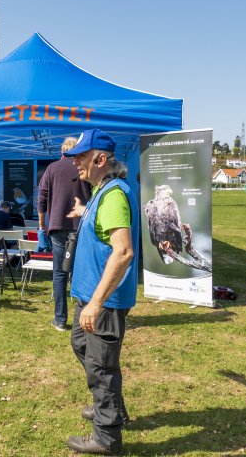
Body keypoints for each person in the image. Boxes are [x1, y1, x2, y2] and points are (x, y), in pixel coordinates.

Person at [62, 129, 139, 456]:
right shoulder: (102, 191)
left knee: (101, 368)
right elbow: (101, 226)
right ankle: (111, 407)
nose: (75, 162)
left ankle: (107, 438)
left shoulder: (113, 195)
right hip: (90, 296)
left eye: (81, 156)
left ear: (101, 159)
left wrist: (96, 303)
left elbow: (123, 252)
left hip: (102, 301)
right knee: (81, 343)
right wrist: (82, 213)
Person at [38, 137, 91, 332]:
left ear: (62, 150)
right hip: (81, 225)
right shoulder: (83, 167)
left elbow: (41, 197)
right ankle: (82, 318)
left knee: (59, 274)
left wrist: (42, 222)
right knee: (81, 272)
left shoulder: (52, 168)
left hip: (58, 226)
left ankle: (60, 319)